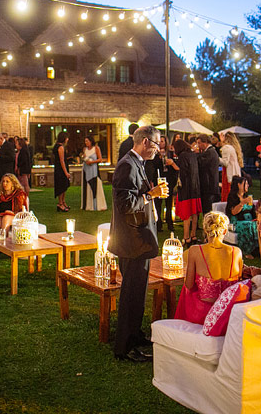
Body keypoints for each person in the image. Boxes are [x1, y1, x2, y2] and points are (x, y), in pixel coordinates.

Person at [107, 125, 168, 362]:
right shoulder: (127, 165)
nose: (158, 150)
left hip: (139, 240)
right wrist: (151, 195)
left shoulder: (138, 163)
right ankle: (124, 346)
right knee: (131, 295)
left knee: (138, 293)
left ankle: (135, 335)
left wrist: (151, 192)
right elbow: (125, 204)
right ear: (144, 142)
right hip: (132, 241)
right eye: (156, 145)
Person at [174, 211, 243, 325]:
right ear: (225, 231)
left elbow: (189, 285)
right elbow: (238, 282)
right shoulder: (236, 252)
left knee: (186, 289)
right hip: (228, 314)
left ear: (206, 231)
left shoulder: (195, 251)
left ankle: (181, 323)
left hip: (203, 315)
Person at [173, 138, 201, 244]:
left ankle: (186, 237)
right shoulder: (193, 154)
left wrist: (172, 164)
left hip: (186, 189)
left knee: (186, 214)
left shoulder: (182, 156)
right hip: (195, 188)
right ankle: (193, 235)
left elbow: (181, 170)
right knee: (194, 214)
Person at [225, 176, 258, 257]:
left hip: (249, 220)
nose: (247, 185)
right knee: (249, 226)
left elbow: (252, 210)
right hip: (237, 222)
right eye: (245, 184)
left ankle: (257, 249)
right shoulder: (232, 197)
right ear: (239, 185)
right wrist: (242, 203)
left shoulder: (247, 197)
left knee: (257, 224)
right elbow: (233, 212)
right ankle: (246, 251)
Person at [81, 136, 107, 211]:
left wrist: (92, 162)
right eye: (85, 141)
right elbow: (84, 157)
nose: (86, 143)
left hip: (94, 170)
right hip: (86, 169)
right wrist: (84, 158)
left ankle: (96, 204)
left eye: (87, 141)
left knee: (95, 185)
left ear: (91, 141)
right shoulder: (85, 149)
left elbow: (100, 159)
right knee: (87, 185)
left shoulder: (96, 148)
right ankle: (87, 204)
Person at [158, 135, 178, 232]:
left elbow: (175, 167)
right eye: (159, 141)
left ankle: (170, 223)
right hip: (159, 179)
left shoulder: (170, 153)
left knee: (169, 203)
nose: (160, 143)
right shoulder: (155, 153)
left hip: (169, 179)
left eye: (162, 141)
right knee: (158, 204)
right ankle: (159, 224)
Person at [196, 134, 220, 215]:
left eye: (199, 143)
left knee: (208, 211)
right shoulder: (211, 152)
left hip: (209, 187)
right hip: (211, 186)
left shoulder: (209, 152)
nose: (198, 145)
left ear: (205, 142)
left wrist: (197, 154)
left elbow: (201, 163)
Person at [218, 131, 243, 201]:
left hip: (229, 173)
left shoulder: (227, 147)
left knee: (227, 193)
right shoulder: (233, 148)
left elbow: (225, 162)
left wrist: (215, 158)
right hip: (235, 173)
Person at [53, 131, 71, 212]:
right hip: (61, 169)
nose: (67, 139)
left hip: (59, 168)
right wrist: (66, 172)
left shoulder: (57, 146)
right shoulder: (60, 147)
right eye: (66, 138)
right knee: (61, 186)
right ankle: (60, 203)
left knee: (64, 185)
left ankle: (63, 202)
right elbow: (62, 160)